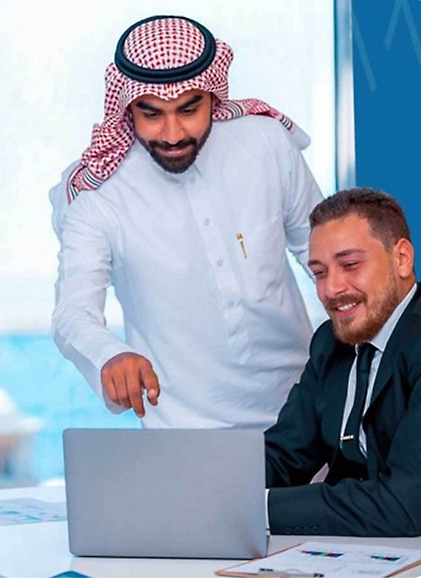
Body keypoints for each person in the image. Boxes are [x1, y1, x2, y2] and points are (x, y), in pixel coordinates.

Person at [50, 15, 323, 427]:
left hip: (303, 415)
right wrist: (111, 354)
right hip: (185, 432)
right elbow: (73, 313)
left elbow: (322, 255)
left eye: (189, 109)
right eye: (152, 113)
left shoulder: (266, 144)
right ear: (127, 106)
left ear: (213, 96)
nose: (173, 133)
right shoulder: (97, 196)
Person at [266, 188, 421, 536]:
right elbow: (285, 455)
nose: (332, 288)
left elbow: (405, 503)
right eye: (319, 273)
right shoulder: (330, 342)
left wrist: (260, 509)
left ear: (401, 259)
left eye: (350, 265)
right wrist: (215, 495)